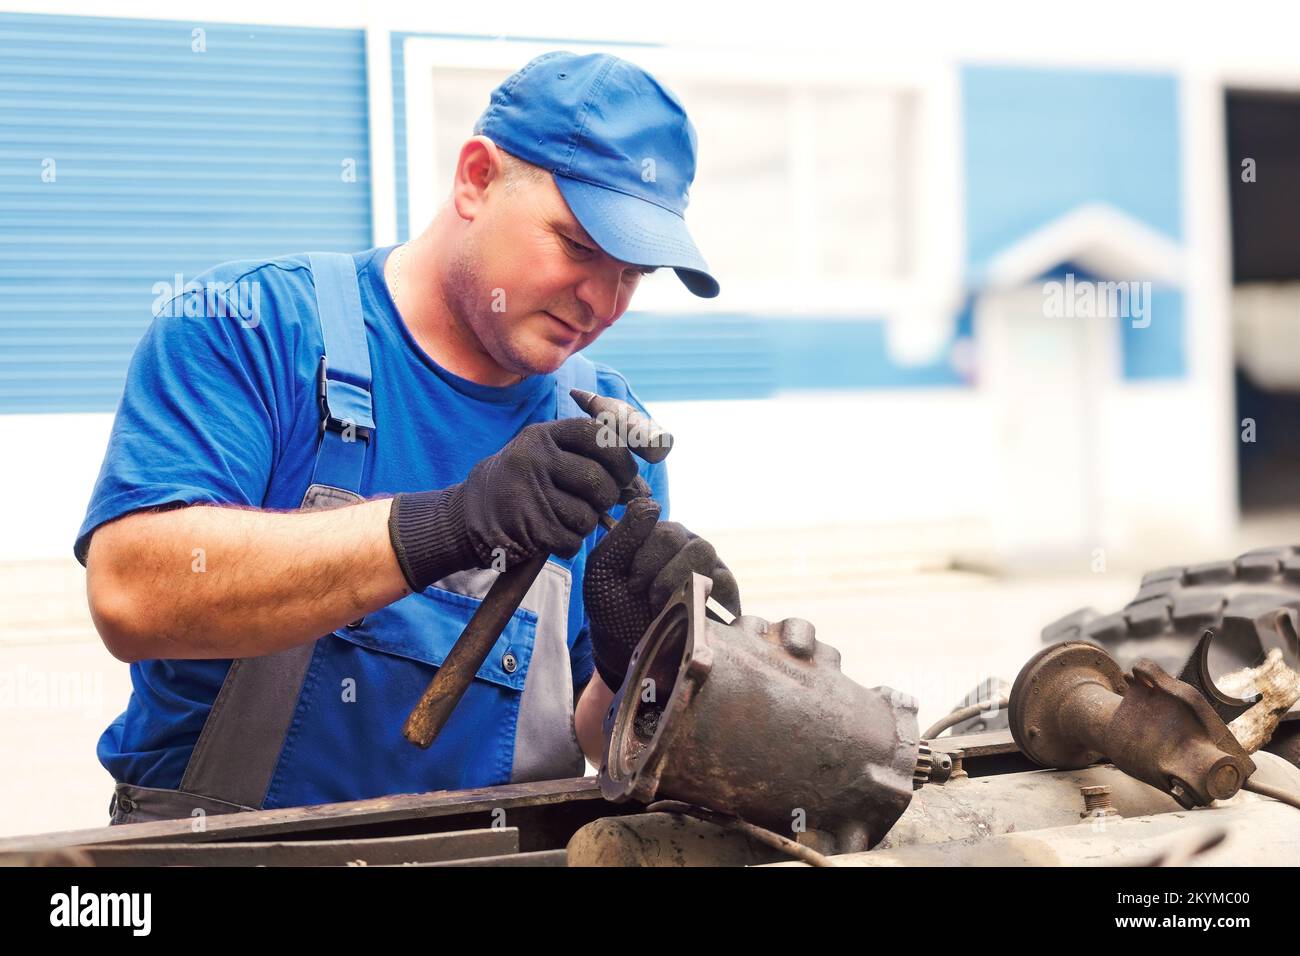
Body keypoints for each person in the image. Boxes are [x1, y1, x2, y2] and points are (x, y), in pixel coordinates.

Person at [77, 51, 741, 825]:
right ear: (476, 178)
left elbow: (598, 739)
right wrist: (444, 525)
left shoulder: (606, 431)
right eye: (579, 246)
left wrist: (645, 667)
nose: (601, 300)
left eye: (634, 273)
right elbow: (133, 595)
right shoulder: (253, 327)